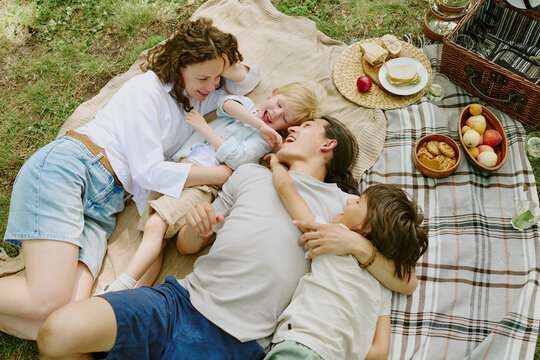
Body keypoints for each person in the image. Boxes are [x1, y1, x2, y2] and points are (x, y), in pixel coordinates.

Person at [37, 116, 418, 359]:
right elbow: (187, 247)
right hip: (178, 302)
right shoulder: (247, 175)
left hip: (236, 342)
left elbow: (405, 279)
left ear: (328, 144)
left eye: (306, 126)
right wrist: (193, 225)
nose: (292, 128)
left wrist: (356, 245)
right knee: (56, 333)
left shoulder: (347, 206)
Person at [0, 17, 263, 340]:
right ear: (179, 65)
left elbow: (248, 82)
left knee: (61, 321)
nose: (212, 86)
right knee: (46, 300)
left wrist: (223, 58)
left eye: (216, 78)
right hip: (76, 169)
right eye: (204, 77)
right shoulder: (147, 90)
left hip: (103, 208)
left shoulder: (198, 95)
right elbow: (147, 172)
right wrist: (219, 174)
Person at [103, 81, 326, 293]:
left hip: (202, 185)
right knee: (156, 239)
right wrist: (258, 123)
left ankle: (121, 286)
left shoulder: (262, 141)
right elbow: (226, 105)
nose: (275, 113)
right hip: (175, 169)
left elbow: (237, 159)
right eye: (278, 104)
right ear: (273, 92)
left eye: (284, 117)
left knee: (156, 226)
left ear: (285, 130)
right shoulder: (246, 108)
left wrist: (205, 129)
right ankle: (131, 295)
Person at [263, 152, 428, 360]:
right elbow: (380, 352)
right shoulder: (383, 285)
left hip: (303, 346)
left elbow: (286, 190)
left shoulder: (330, 236)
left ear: (365, 228)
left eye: (359, 203)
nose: (350, 202)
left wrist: (276, 164)